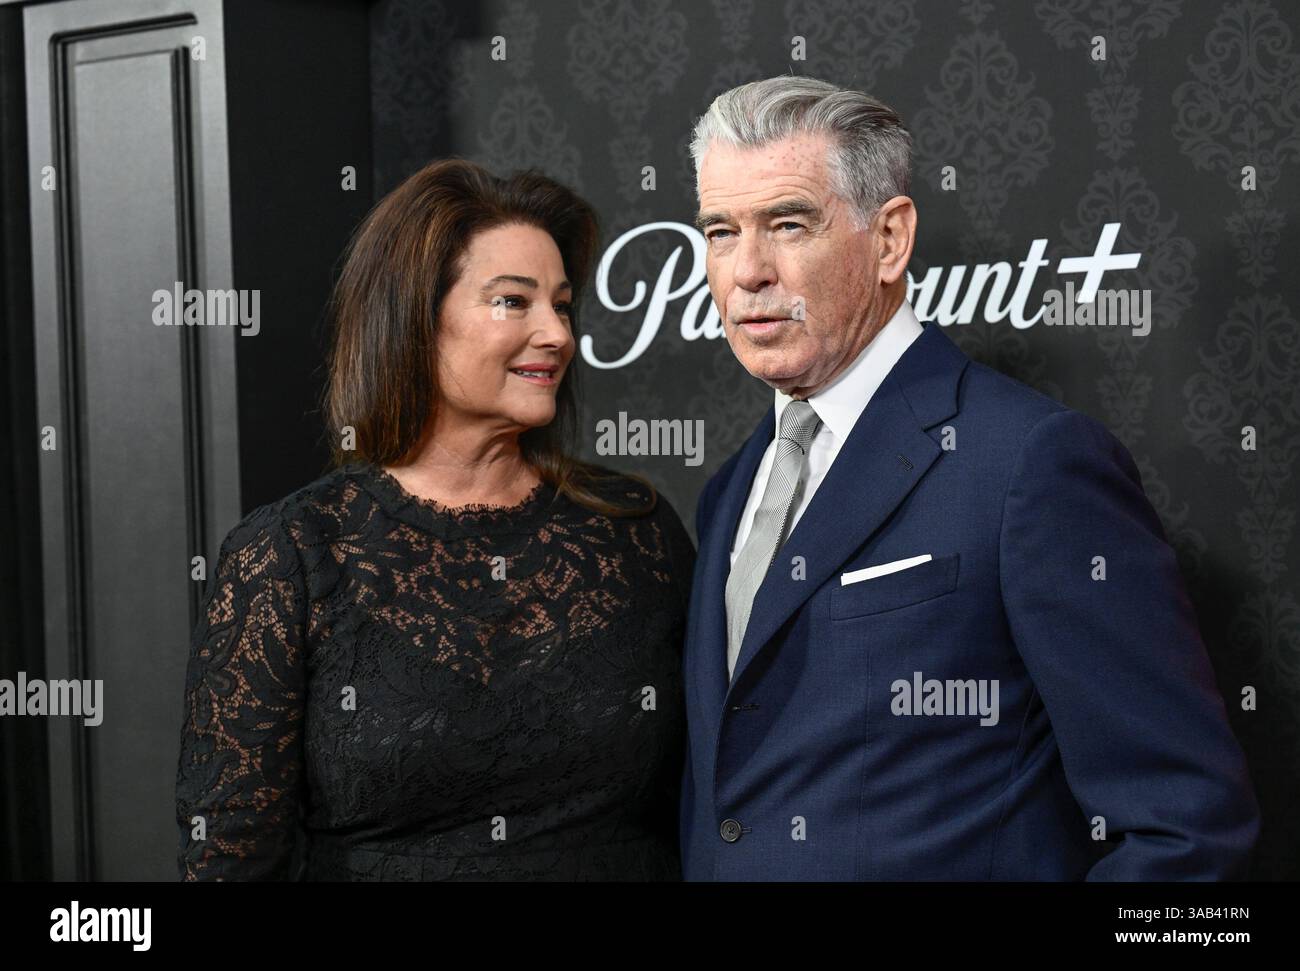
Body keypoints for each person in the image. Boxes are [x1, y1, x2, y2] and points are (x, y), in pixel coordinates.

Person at [679, 76, 1260, 880]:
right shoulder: (729, 492)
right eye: (719, 230)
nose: (746, 271)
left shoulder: (1032, 463)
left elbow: (1184, 829)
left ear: (889, 239)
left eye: (788, 223)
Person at [175, 158, 694, 881]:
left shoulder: (636, 533)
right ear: (416, 318)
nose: (557, 334)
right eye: (514, 301)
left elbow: (708, 796)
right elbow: (230, 857)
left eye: (563, 305)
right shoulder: (290, 554)